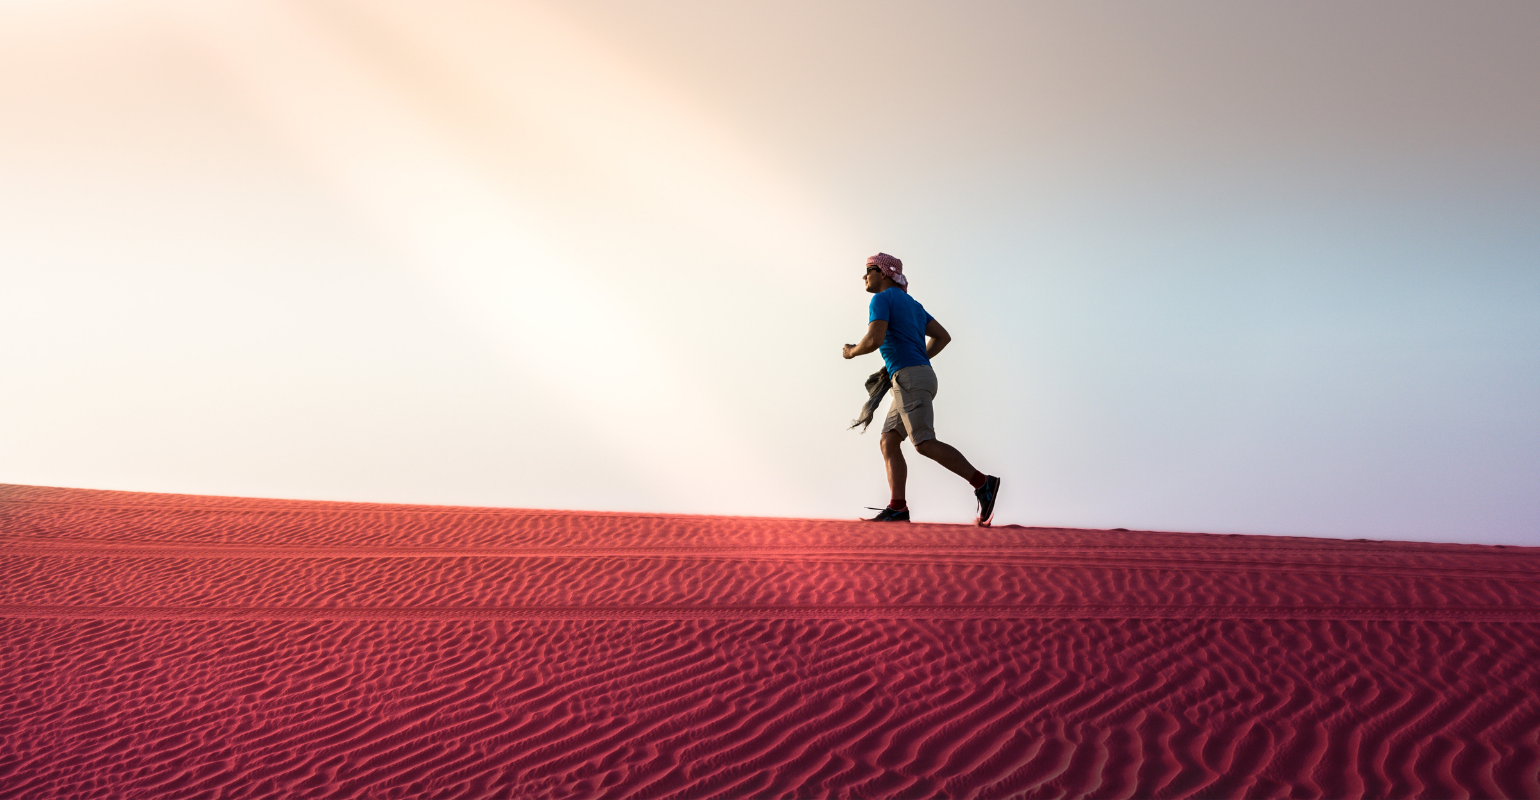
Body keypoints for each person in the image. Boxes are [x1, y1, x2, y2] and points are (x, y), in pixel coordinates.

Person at [842, 253, 1001, 525]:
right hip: (915, 377)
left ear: (884, 273)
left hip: (910, 379)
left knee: (923, 442)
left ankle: (982, 482)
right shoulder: (913, 304)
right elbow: (943, 336)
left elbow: (874, 338)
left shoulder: (880, 299)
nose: (864, 276)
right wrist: (916, 361)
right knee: (889, 441)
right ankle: (898, 508)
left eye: (868, 270)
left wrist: (851, 352)